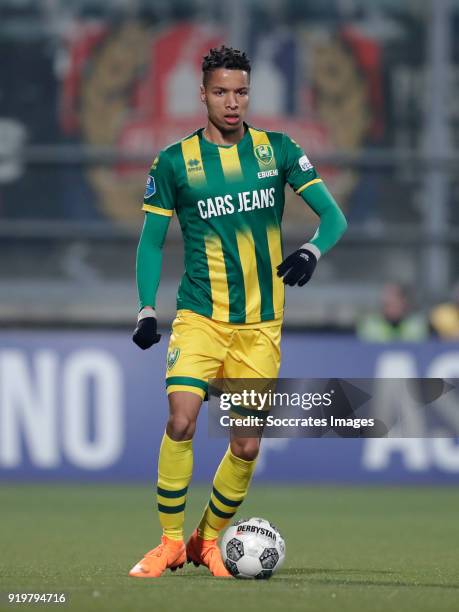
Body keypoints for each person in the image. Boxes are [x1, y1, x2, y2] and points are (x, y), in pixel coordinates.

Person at [128, 45, 347, 579]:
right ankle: (169, 543)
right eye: (222, 91)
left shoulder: (278, 150)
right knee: (182, 421)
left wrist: (311, 250)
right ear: (202, 93)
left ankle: (206, 540)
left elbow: (333, 217)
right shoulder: (175, 162)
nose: (232, 102)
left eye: (241, 91)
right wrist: (145, 309)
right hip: (199, 319)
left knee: (245, 444)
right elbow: (152, 242)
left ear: (251, 93)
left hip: (258, 327)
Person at [356, 282, 428, 342]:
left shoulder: (415, 325)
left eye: (395, 302)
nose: (392, 307)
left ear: (404, 302)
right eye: (388, 303)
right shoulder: (370, 325)